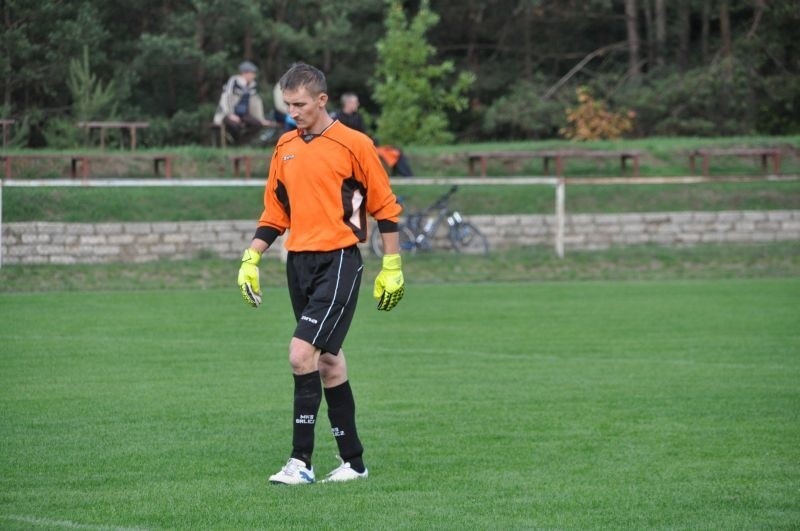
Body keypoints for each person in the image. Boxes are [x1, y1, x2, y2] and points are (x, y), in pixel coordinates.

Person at [236, 63, 406, 485]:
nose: (292, 111)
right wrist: (251, 258)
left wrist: (393, 265)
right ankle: (354, 463)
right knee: (328, 362)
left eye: (300, 104)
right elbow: (276, 212)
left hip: (341, 260)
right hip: (299, 263)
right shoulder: (285, 146)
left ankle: (301, 462)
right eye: (288, 104)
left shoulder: (355, 144)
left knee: (300, 354)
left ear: (322, 100)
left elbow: (385, 206)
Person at [332, 92, 414, 177]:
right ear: (348, 103)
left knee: (395, 151)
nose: (358, 104)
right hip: (349, 149)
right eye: (356, 102)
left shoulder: (357, 117)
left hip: (363, 146)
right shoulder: (337, 117)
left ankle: (407, 176)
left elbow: (363, 133)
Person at [213, 61, 278, 145]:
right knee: (235, 126)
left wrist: (261, 119)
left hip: (244, 114)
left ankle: (243, 142)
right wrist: (230, 114)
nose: (254, 76)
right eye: (252, 73)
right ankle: (234, 145)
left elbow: (256, 103)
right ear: (245, 73)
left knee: (257, 124)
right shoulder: (234, 81)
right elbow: (226, 98)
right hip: (228, 113)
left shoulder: (252, 85)